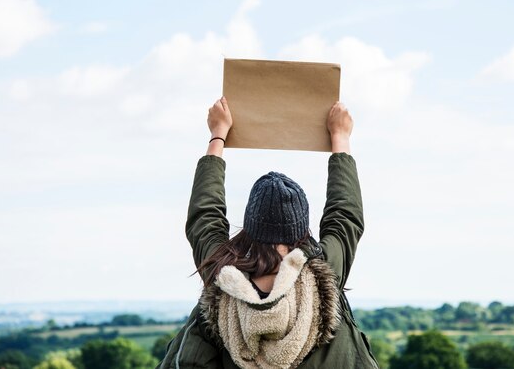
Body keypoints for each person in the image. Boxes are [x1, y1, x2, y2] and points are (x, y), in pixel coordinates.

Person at [157, 97, 379, 369]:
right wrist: (340, 137)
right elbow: (345, 215)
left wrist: (218, 136)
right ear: (301, 227)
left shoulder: (221, 273)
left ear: (250, 226)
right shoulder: (324, 271)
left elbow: (205, 215)